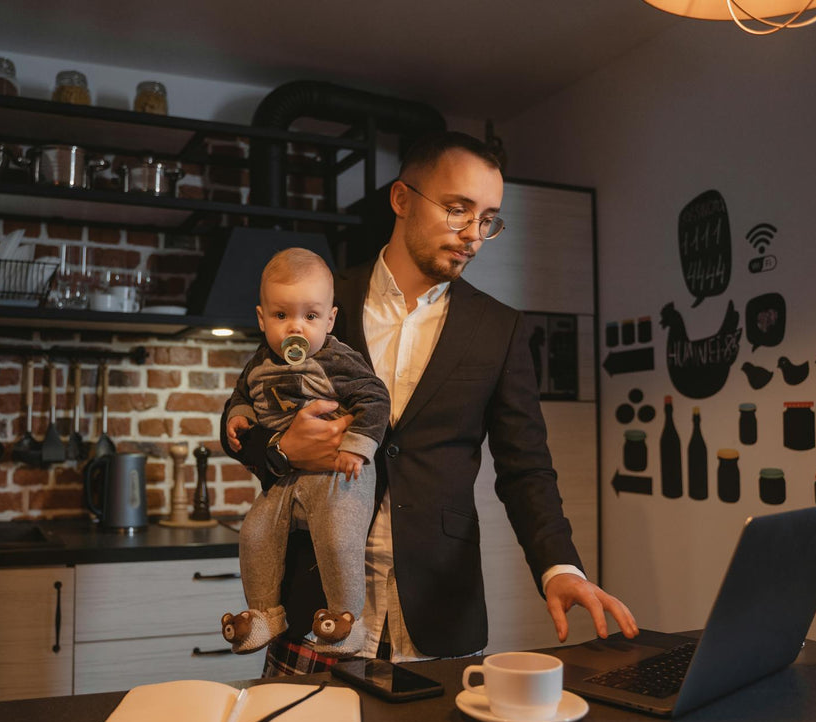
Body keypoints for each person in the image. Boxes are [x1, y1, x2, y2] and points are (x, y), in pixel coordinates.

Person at [223, 131, 638, 675]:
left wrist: (560, 568)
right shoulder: (318, 298)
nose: (473, 234)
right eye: (457, 209)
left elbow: (526, 468)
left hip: (439, 614)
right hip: (313, 605)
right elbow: (246, 409)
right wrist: (280, 447)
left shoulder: (501, 329)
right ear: (401, 200)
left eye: (488, 218)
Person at [221, 248, 391, 656]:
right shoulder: (259, 362)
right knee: (255, 532)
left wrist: (356, 447)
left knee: (337, 535)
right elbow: (241, 397)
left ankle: (344, 621)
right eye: (281, 317)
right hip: (286, 479)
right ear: (262, 319)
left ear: (329, 320)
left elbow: (375, 398)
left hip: (339, 476)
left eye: (309, 317)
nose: (295, 328)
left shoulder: (336, 359)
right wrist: (239, 416)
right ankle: (264, 614)